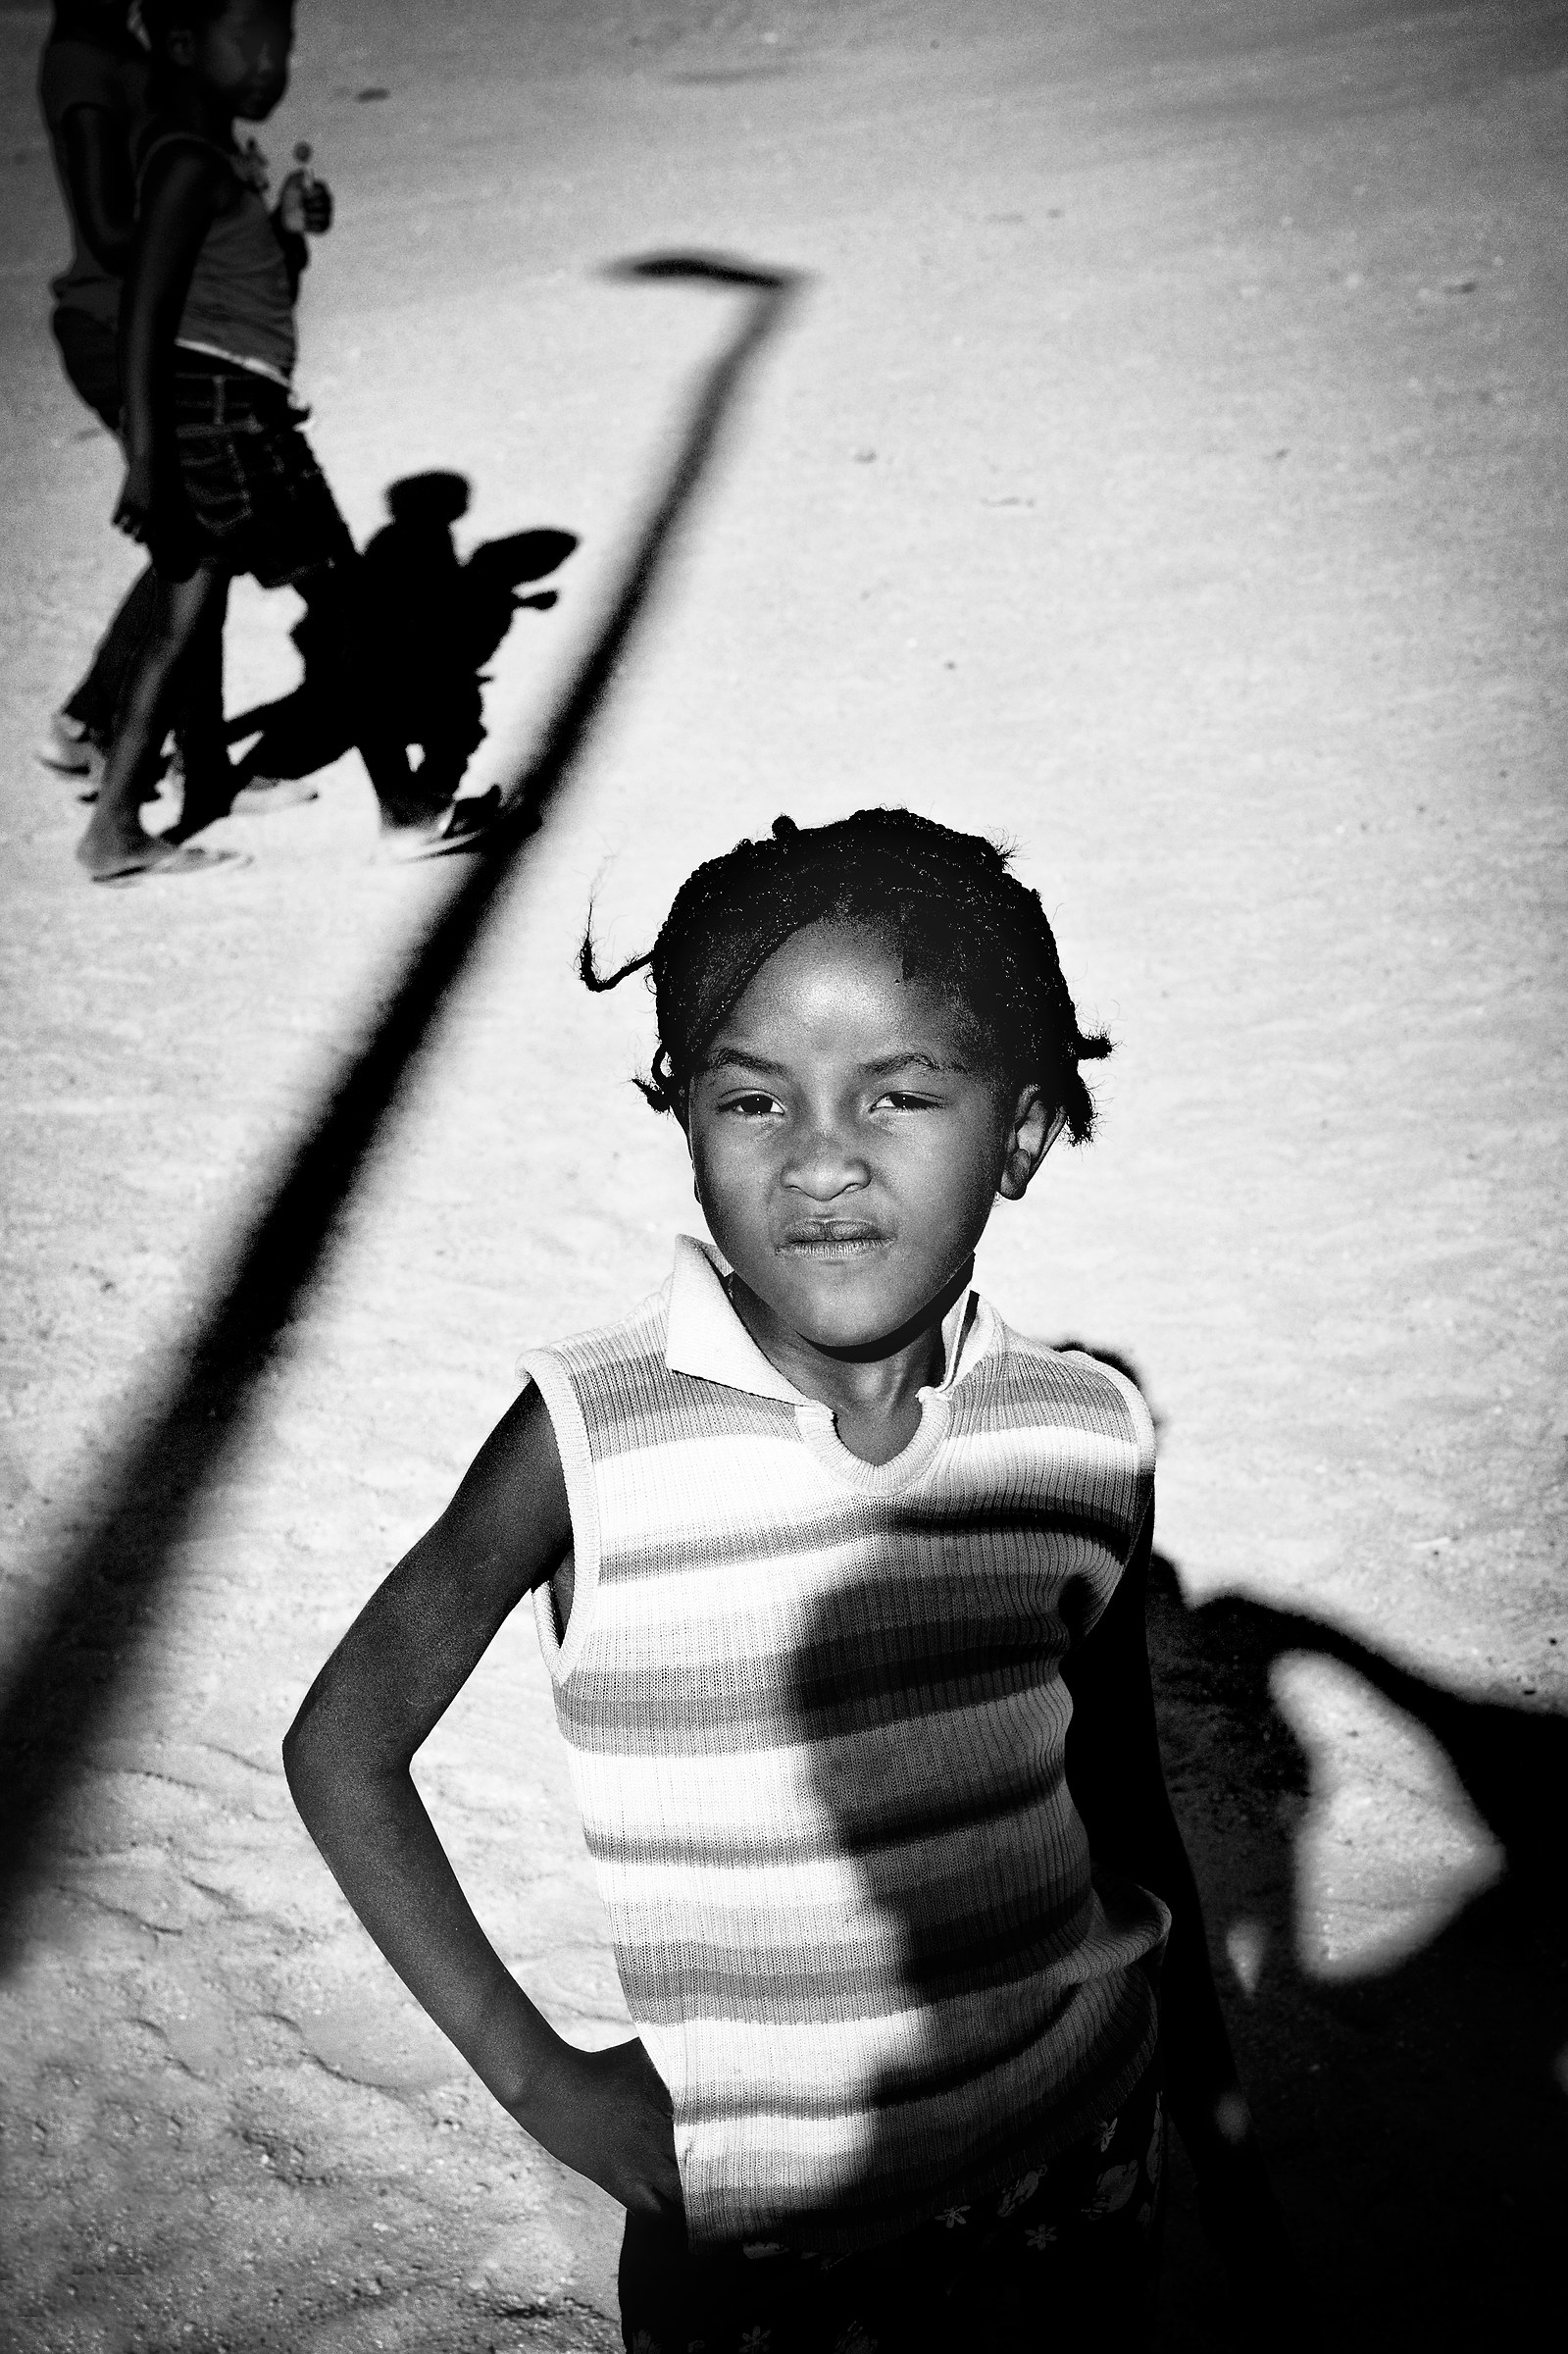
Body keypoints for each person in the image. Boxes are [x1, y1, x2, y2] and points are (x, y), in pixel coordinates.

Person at [283, 808, 1306, 2349]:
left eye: (897, 1094)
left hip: (1079, 2150)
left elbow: (1121, 1805)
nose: (821, 1156)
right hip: (768, 2244)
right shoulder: (592, 1435)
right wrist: (537, 2075)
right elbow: (342, 1747)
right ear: (683, 1123)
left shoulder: (1081, 1434)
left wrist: (1217, 2158)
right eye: (750, 1098)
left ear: (1021, 1134)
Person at [76, 0, 481, 882]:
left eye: (283, 45)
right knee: (348, 612)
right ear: (183, 43)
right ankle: (406, 808)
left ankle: (114, 830)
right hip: (235, 425)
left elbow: (247, 305)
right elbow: (144, 314)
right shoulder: (187, 163)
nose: (271, 62)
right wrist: (147, 460)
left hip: (215, 416)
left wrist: (288, 236)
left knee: (184, 625)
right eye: (250, 40)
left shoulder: (216, 161)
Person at [36, 0, 161, 786]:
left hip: (139, 322)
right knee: (197, 543)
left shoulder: (120, 47)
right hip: (118, 327)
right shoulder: (86, 66)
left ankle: (97, 718)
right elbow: (110, 229)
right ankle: (117, 734)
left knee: (196, 545)